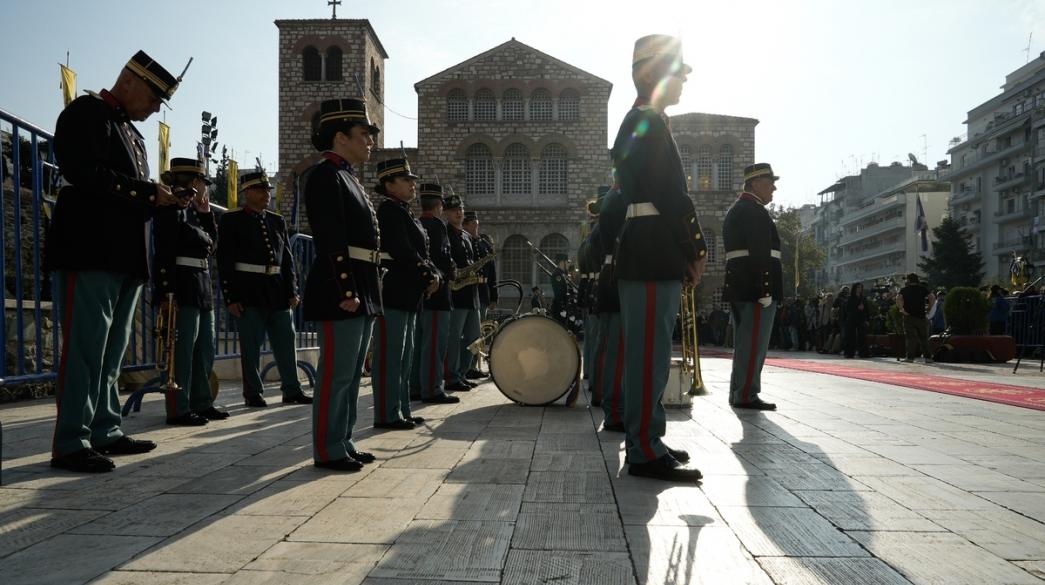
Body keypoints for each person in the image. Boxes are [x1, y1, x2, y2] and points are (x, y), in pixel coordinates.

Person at [44, 51, 190, 473]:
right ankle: (72, 440)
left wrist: (163, 201)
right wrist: (147, 194)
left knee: (111, 352)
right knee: (85, 350)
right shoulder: (87, 112)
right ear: (129, 81)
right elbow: (85, 172)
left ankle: (106, 428)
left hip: (125, 255)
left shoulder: (133, 135)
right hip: (90, 249)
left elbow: (127, 193)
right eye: (154, 96)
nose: (156, 107)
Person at [612, 34, 705, 482]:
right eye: (677, 71)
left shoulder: (643, 120)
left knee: (648, 352)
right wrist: (695, 248)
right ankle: (644, 450)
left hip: (648, 248)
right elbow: (671, 194)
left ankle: (649, 438)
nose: (684, 80)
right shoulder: (646, 121)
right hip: (653, 249)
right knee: (649, 355)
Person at [302, 97, 382, 471]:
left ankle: (344, 441)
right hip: (342, 289)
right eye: (363, 134)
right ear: (340, 136)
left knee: (351, 376)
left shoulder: (347, 176)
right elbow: (330, 238)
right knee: (335, 375)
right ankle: (328, 448)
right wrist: (346, 290)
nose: (370, 141)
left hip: (362, 286)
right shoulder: (324, 175)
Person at [218, 171, 311, 407]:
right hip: (248, 291)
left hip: (277, 290)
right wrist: (231, 296)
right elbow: (225, 261)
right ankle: (253, 393)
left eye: (267, 190)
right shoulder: (232, 220)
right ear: (246, 193)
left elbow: (287, 260)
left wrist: (292, 289)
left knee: (286, 342)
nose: (265, 195)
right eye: (260, 190)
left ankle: (292, 389)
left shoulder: (276, 220)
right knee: (250, 346)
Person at [153, 157, 227, 426]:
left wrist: (207, 215)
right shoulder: (170, 209)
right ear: (194, 182)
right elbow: (162, 254)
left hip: (201, 285)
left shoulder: (197, 212)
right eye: (203, 182)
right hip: (181, 285)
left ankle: (202, 401)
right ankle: (178, 407)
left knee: (204, 349)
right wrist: (165, 293)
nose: (206, 188)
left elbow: (212, 246)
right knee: (181, 352)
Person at [372, 157, 439, 429]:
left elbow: (422, 252)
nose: (413, 185)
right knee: (390, 356)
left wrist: (434, 273)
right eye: (405, 180)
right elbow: (402, 250)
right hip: (394, 291)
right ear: (388, 184)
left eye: (412, 180)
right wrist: (427, 274)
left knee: (405, 356)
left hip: (409, 293)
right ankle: (387, 414)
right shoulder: (389, 211)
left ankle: (401, 409)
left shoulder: (404, 211)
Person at [723, 163, 783, 411]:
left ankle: (739, 391)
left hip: (742, 286)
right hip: (754, 290)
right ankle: (746, 393)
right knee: (753, 344)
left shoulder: (740, 208)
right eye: (770, 183)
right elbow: (759, 253)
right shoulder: (754, 211)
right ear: (756, 183)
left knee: (745, 343)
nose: (774, 188)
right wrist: (765, 290)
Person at [413, 184, 461, 405]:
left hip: (420, 293)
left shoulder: (416, 223)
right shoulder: (437, 226)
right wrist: (451, 271)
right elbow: (442, 257)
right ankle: (432, 388)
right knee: (434, 345)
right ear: (440, 205)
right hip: (438, 293)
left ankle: (415, 386)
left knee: (419, 344)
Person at [443, 194, 480, 392]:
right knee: (455, 337)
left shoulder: (466, 236)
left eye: (460, 209)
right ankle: (453, 375)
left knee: (473, 336)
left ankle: (464, 371)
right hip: (456, 295)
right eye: (453, 210)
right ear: (446, 213)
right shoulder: (445, 233)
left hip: (471, 294)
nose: (458, 213)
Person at [462, 212, 496, 379]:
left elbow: (492, 272)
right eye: (470, 223)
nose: (474, 226)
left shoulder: (483, 244)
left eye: (476, 223)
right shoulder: (464, 241)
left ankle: (473, 365)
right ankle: (466, 366)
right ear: (465, 225)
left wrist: (493, 296)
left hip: (483, 291)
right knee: (469, 333)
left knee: (478, 334)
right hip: (468, 290)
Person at [896, 273, 934, 363]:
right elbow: (932, 297)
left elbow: (898, 298)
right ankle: (928, 358)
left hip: (909, 316)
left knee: (910, 338)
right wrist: (929, 308)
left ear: (908, 280)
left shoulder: (904, 290)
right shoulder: (923, 289)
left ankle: (910, 357)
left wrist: (902, 309)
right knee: (923, 338)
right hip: (921, 316)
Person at [843, 283, 869, 358]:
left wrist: (867, 319)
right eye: (858, 287)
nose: (859, 289)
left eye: (861, 288)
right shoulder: (850, 298)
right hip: (852, 319)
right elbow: (848, 310)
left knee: (862, 336)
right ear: (854, 288)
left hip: (861, 319)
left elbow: (867, 310)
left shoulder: (863, 298)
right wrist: (857, 308)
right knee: (851, 337)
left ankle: (863, 353)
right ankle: (849, 353)